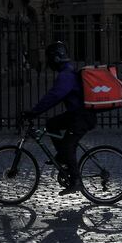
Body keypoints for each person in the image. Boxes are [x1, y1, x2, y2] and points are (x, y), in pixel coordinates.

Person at [20, 41, 96, 194]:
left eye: (49, 59)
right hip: (76, 115)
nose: (48, 63)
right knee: (52, 124)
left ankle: (76, 181)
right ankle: (62, 156)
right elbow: (55, 95)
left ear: (55, 58)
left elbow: (54, 96)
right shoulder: (67, 71)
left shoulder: (66, 75)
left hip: (82, 117)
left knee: (68, 146)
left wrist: (34, 112)